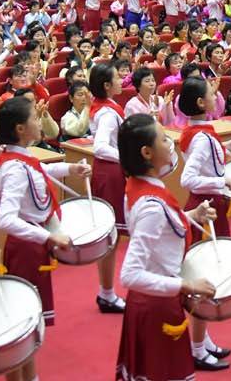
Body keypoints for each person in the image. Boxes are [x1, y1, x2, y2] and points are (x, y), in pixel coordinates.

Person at [115, 113, 220, 381]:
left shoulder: (143, 189)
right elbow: (129, 274)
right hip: (156, 306)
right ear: (147, 152)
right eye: (164, 139)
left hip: (157, 300)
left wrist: (191, 215)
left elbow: (158, 227)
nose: (170, 142)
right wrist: (187, 286)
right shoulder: (150, 204)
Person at [0, 93, 91, 372]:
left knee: (30, 321)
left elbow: (40, 170)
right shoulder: (13, 167)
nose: (39, 122)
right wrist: (48, 236)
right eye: (34, 118)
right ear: (20, 130)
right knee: (22, 323)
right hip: (25, 249)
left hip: (32, 246)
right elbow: (7, 220)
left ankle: (29, 373)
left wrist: (69, 167)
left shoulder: (23, 158)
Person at [168, 79, 231, 369]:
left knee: (209, 276)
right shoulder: (200, 137)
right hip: (204, 209)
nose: (217, 95)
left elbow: (207, 157)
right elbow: (188, 179)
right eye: (212, 94)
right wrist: (224, 181)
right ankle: (197, 349)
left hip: (211, 207)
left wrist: (227, 146)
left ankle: (203, 340)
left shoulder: (201, 133)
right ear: (201, 103)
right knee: (204, 280)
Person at [87, 61, 128, 312]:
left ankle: (107, 292)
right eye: (117, 77)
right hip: (110, 173)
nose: (122, 79)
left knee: (113, 235)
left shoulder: (108, 107)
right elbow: (101, 146)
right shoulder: (107, 114)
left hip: (110, 171)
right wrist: (127, 158)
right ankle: (107, 293)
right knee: (111, 235)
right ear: (106, 85)